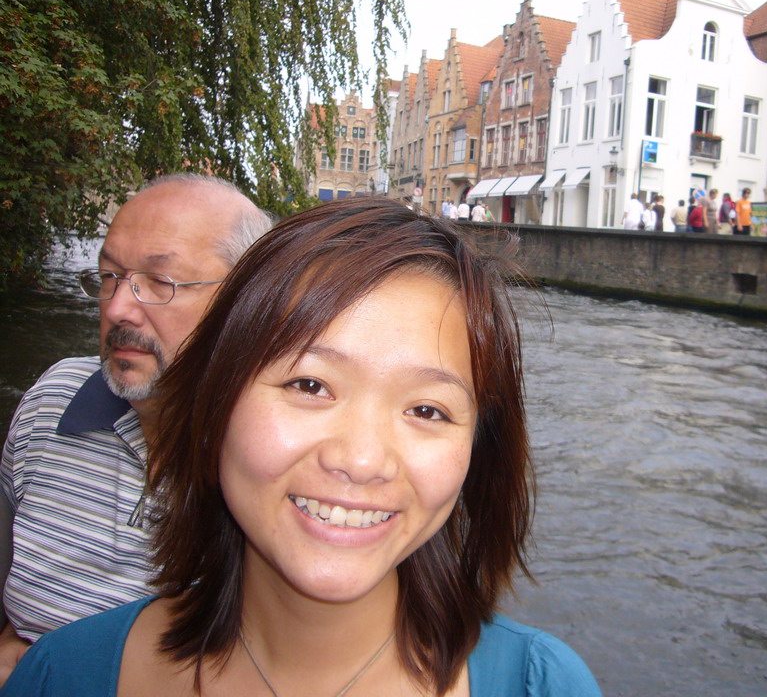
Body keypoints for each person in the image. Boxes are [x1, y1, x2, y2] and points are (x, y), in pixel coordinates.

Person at [1, 198, 603, 696]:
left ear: (478, 452)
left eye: (427, 409)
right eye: (309, 384)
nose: (362, 460)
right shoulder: (60, 675)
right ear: (216, 405)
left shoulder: (543, 686)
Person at [0, 175, 273, 683]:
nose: (117, 308)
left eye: (159, 282)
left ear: (246, 300)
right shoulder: (52, 397)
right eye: (110, 276)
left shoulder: (280, 453)